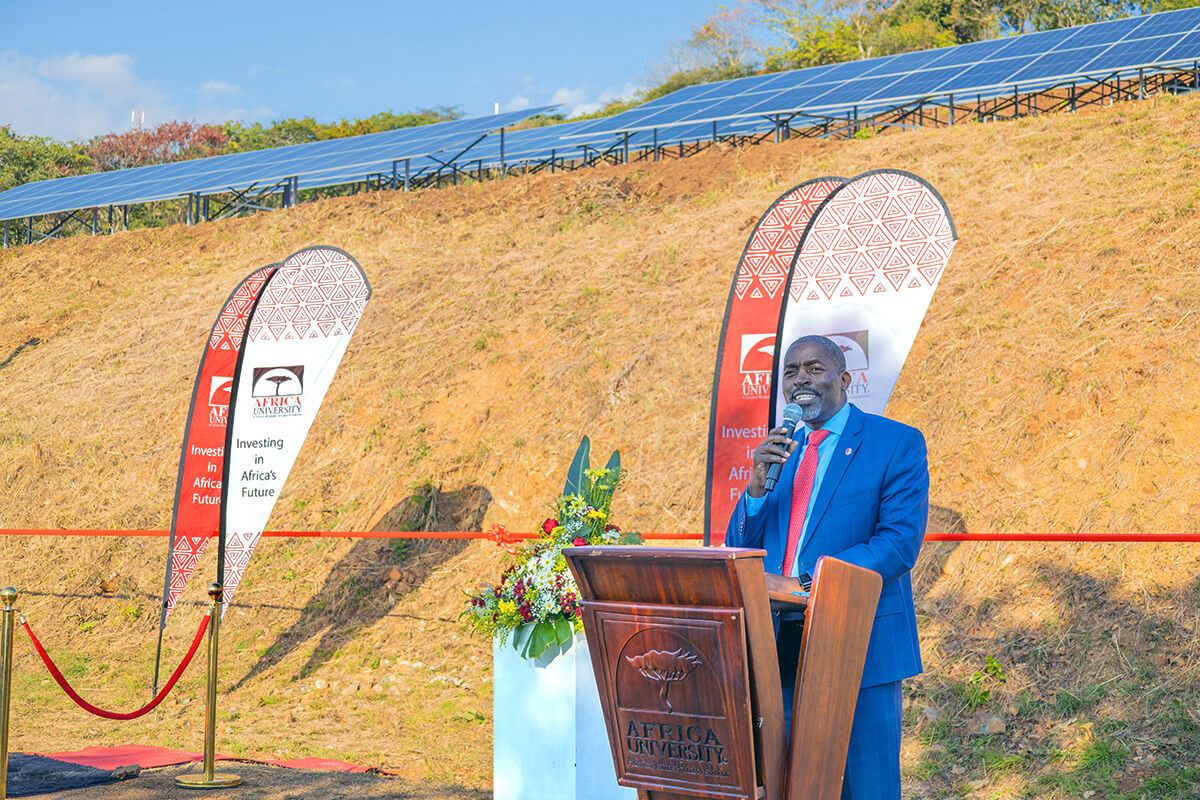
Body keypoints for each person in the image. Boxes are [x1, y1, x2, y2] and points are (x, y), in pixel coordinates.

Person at [725, 334, 928, 800]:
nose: (801, 379)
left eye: (814, 369)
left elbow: (896, 545)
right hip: (777, 646)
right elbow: (739, 545)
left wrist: (804, 583)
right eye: (791, 371)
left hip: (856, 641)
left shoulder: (893, 443)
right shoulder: (781, 451)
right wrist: (756, 489)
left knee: (866, 788)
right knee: (789, 785)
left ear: (845, 379)